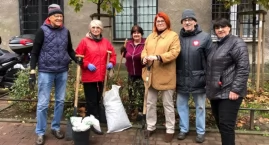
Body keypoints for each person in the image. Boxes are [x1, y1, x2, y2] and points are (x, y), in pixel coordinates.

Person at [28, 4, 77, 145]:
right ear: (50, 18)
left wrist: (77, 59)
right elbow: (35, 52)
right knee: (43, 104)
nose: (59, 18)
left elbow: (70, 49)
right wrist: (32, 71)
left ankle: (55, 127)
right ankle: (40, 132)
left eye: (61, 16)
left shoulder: (65, 31)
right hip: (46, 71)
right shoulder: (42, 31)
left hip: (62, 70)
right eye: (57, 16)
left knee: (60, 101)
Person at [206, 18, 249, 145]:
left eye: (223, 27)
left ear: (229, 28)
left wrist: (236, 89)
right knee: (221, 123)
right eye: (217, 28)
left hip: (230, 92)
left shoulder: (237, 43)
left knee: (226, 125)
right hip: (216, 91)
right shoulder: (216, 45)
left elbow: (243, 67)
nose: (220, 30)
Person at [141, 12, 180, 143]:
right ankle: (151, 126)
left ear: (167, 22)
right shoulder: (151, 36)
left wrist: (158, 57)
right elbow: (144, 50)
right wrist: (145, 58)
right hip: (150, 75)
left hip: (166, 76)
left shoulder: (173, 36)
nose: (160, 23)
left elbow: (175, 52)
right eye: (158, 21)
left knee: (167, 104)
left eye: (162, 21)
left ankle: (170, 129)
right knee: (150, 103)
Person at [176, 9, 212, 143]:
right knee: (181, 106)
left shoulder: (205, 37)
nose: (187, 22)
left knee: (200, 107)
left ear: (195, 22)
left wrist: (209, 79)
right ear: (182, 23)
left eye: (190, 19)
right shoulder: (177, 38)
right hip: (181, 78)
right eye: (185, 20)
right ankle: (183, 129)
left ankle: (200, 131)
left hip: (199, 79)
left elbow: (210, 60)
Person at [75, 19, 116, 133]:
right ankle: (94, 124)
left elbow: (113, 54)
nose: (95, 30)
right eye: (93, 27)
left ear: (101, 29)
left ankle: (92, 119)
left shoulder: (105, 42)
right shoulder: (84, 41)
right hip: (89, 77)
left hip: (101, 76)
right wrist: (86, 64)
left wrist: (111, 62)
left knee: (98, 100)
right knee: (91, 101)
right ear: (90, 29)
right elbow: (78, 56)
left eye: (98, 28)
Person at [120, 25, 145, 118]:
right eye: (134, 33)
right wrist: (122, 51)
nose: (136, 34)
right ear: (132, 34)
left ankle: (141, 112)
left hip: (142, 73)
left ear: (141, 34)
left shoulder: (145, 43)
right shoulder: (128, 44)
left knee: (141, 93)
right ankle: (131, 112)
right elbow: (125, 56)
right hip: (131, 73)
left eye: (138, 32)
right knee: (131, 93)